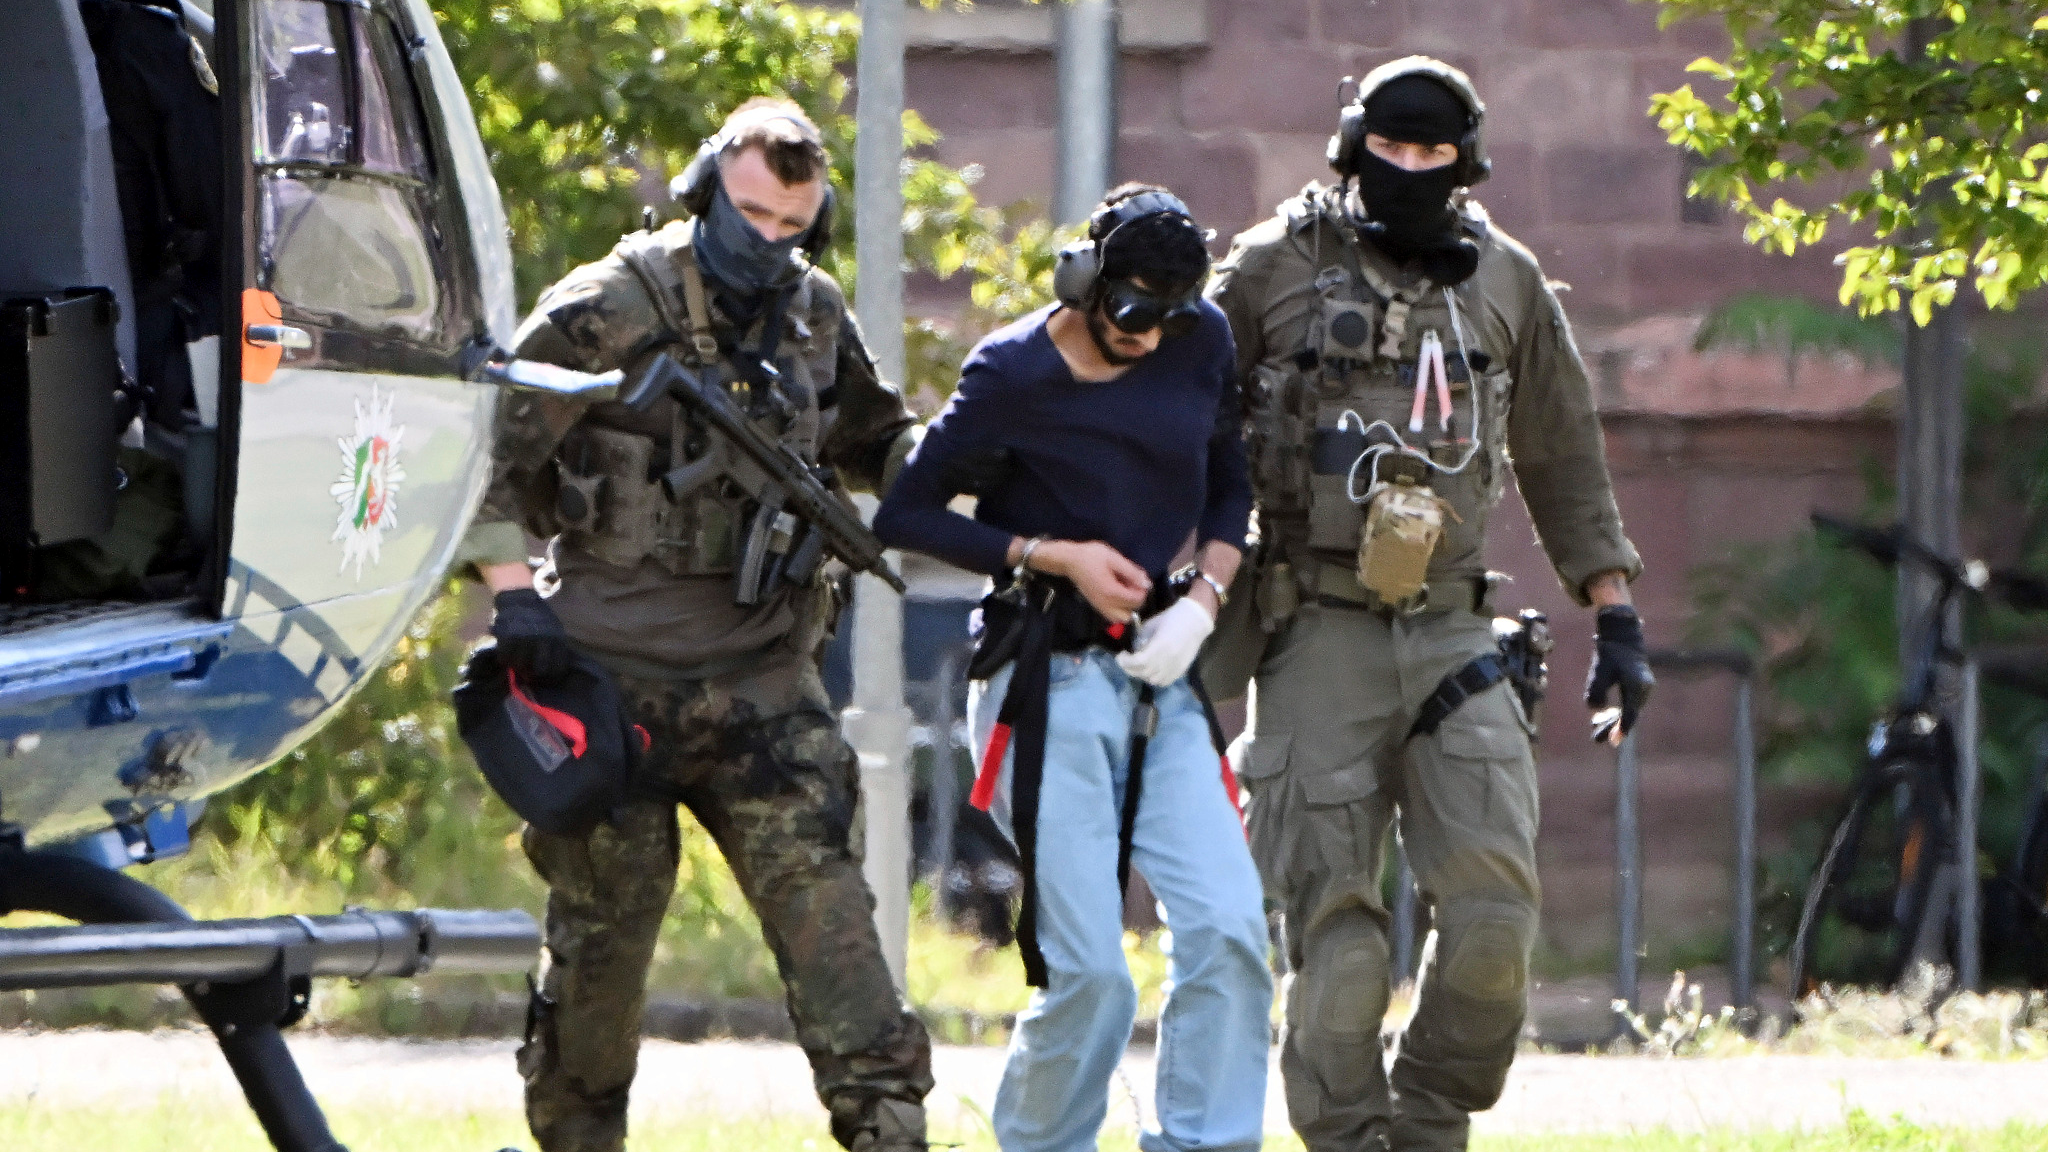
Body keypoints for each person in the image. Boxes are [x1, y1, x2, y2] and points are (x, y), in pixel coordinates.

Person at [458, 98, 932, 1152]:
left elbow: (872, 434)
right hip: (605, 682)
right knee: (604, 937)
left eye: (788, 227)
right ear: (707, 186)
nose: (765, 243)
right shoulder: (606, 307)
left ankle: (887, 1127)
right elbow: (485, 447)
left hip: (762, 681)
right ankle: (576, 1137)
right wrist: (514, 598)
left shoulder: (811, 314)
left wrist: (941, 470)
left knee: (829, 920)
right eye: (748, 214)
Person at [1201, 57, 1655, 1152]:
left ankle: (1430, 1120)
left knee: (1495, 926)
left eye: (1430, 155)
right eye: (1388, 151)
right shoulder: (1271, 267)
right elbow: (1175, 414)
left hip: (1454, 629)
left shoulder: (1504, 283)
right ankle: (1350, 1137)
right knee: (1341, 947)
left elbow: (1560, 455)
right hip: (1313, 624)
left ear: (1465, 163)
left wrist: (1614, 615)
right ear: (1352, 148)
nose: (1405, 170)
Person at [875, 184, 1273, 1152]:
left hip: (1158, 678)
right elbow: (905, 515)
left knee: (1228, 929)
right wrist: (1048, 555)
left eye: (1171, 316)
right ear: (1085, 279)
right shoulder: (1010, 373)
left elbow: (1230, 482)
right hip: (1038, 683)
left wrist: (1205, 599)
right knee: (1090, 971)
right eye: (1132, 309)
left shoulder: (1200, 340)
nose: (1150, 336)